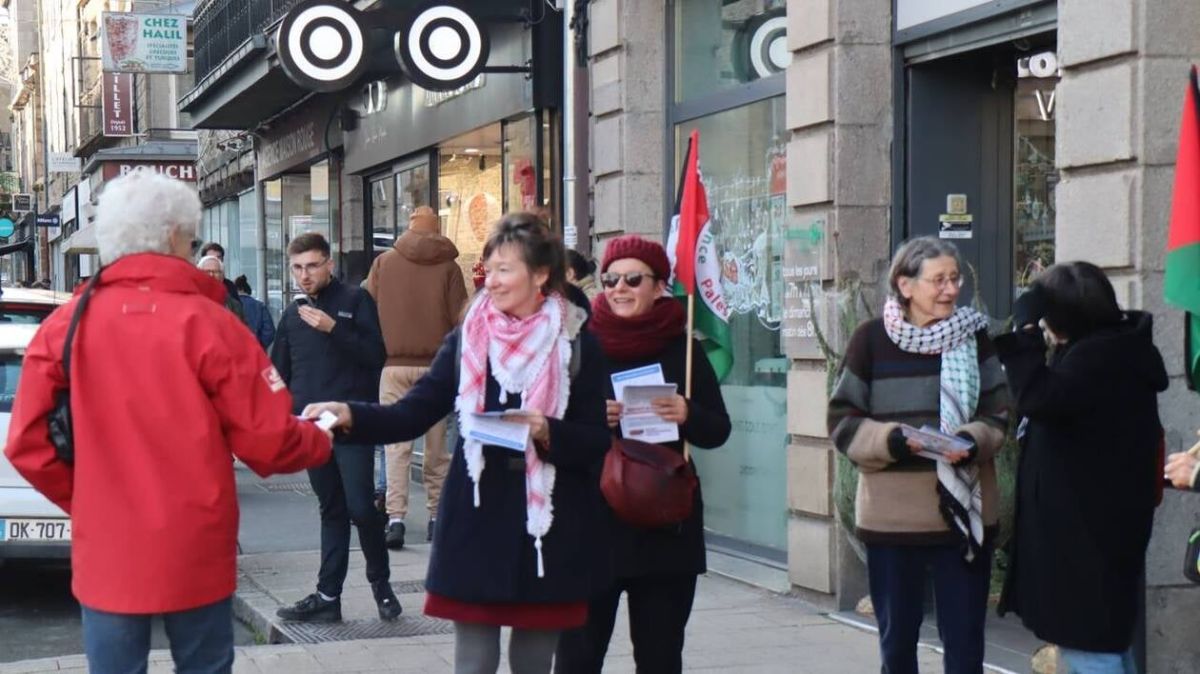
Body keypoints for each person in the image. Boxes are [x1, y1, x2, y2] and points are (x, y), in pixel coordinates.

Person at [3, 172, 333, 674]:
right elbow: (270, 441)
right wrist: (322, 435)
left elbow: (27, 443)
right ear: (175, 236)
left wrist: (87, 500)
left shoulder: (65, 327)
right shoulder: (213, 325)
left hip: (108, 546)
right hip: (195, 541)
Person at [304, 213, 611, 674]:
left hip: (546, 524)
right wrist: (351, 414)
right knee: (474, 662)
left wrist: (549, 431)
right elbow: (412, 412)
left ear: (540, 275)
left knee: (533, 660)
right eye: (490, 268)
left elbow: (597, 441)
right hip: (476, 516)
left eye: (505, 269)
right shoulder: (469, 336)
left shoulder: (576, 342)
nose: (492, 280)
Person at [826, 236, 1009, 674]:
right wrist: (892, 440)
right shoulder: (870, 340)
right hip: (893, 523)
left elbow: (1000, 413)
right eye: (938, 280)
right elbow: (842, 422)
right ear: (905, 285)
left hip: (963, 520)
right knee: (897, 646)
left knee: (965, 646)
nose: (951, 289)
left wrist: (970, 439)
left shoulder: (974, 337)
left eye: (955, 279)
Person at [555, 235, 731, 673]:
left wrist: (688, 413)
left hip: (664, 526)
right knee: (577, 659)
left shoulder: (684, 349)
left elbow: (718, 430)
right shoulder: (577, 345)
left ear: (658, 286)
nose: (619, 288)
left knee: (660, 658)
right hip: (592, 525)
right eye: (611, 279)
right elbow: (548, 431)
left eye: (633, 279)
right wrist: (590, 418)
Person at [995, 262, 1166, 674]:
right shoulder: (1112, 349)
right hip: (1093, 531)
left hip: (1086, 539)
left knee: (1090, 647)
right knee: (1102, 644)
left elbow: (1038, 397)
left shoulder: (1099, 358)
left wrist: (1026, 330)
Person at [270, 232, 399, 623]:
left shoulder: (355, 300)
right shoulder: (292, 315)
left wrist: (333, 329)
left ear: (329, 264)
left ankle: (381, 586)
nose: (304, 275)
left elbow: (376, 355)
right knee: (332, 509)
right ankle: (328, 596)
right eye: (297, 268)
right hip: (312, 429)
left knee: (361, 508)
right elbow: (278, 372)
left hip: (351, 422)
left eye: (312, 266)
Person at [365, 205, 468, 549]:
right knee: (437, 450)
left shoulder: (383, 263)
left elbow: (367, 307)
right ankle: (437, 517)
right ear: (436, 228)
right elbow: (461, 319)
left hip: (393, 366)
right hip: (437, 368)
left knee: (396, 448)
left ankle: (395, 519)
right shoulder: (449, 266)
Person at [198, 242, 246, 323]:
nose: (211, 275)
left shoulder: (230, 290)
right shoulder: (191, 292)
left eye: (218, 258)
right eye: (207, 271)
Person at [234, 274, 275, 349]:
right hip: (256, 350)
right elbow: (269, 332)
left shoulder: (229, 305)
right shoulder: (259, 306)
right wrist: (260, 346)